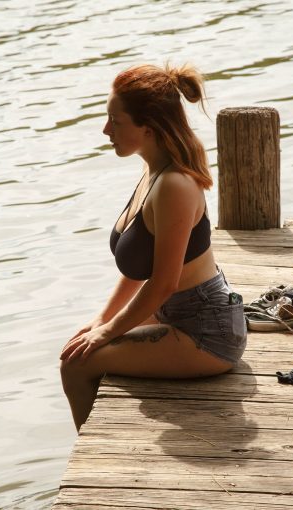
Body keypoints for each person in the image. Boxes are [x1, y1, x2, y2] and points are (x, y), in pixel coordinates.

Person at [60, 63, 247, 431]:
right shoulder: (153, 171)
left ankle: (99, 464)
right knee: (82, 343)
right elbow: (138, 273)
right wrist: (101, 322)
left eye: (116, 120)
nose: (106, 130)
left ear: (148, 127)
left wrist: (108, 331)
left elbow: (163, 282)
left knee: (75, 366)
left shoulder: (174, 185)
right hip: (174, 314)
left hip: (206, 332)